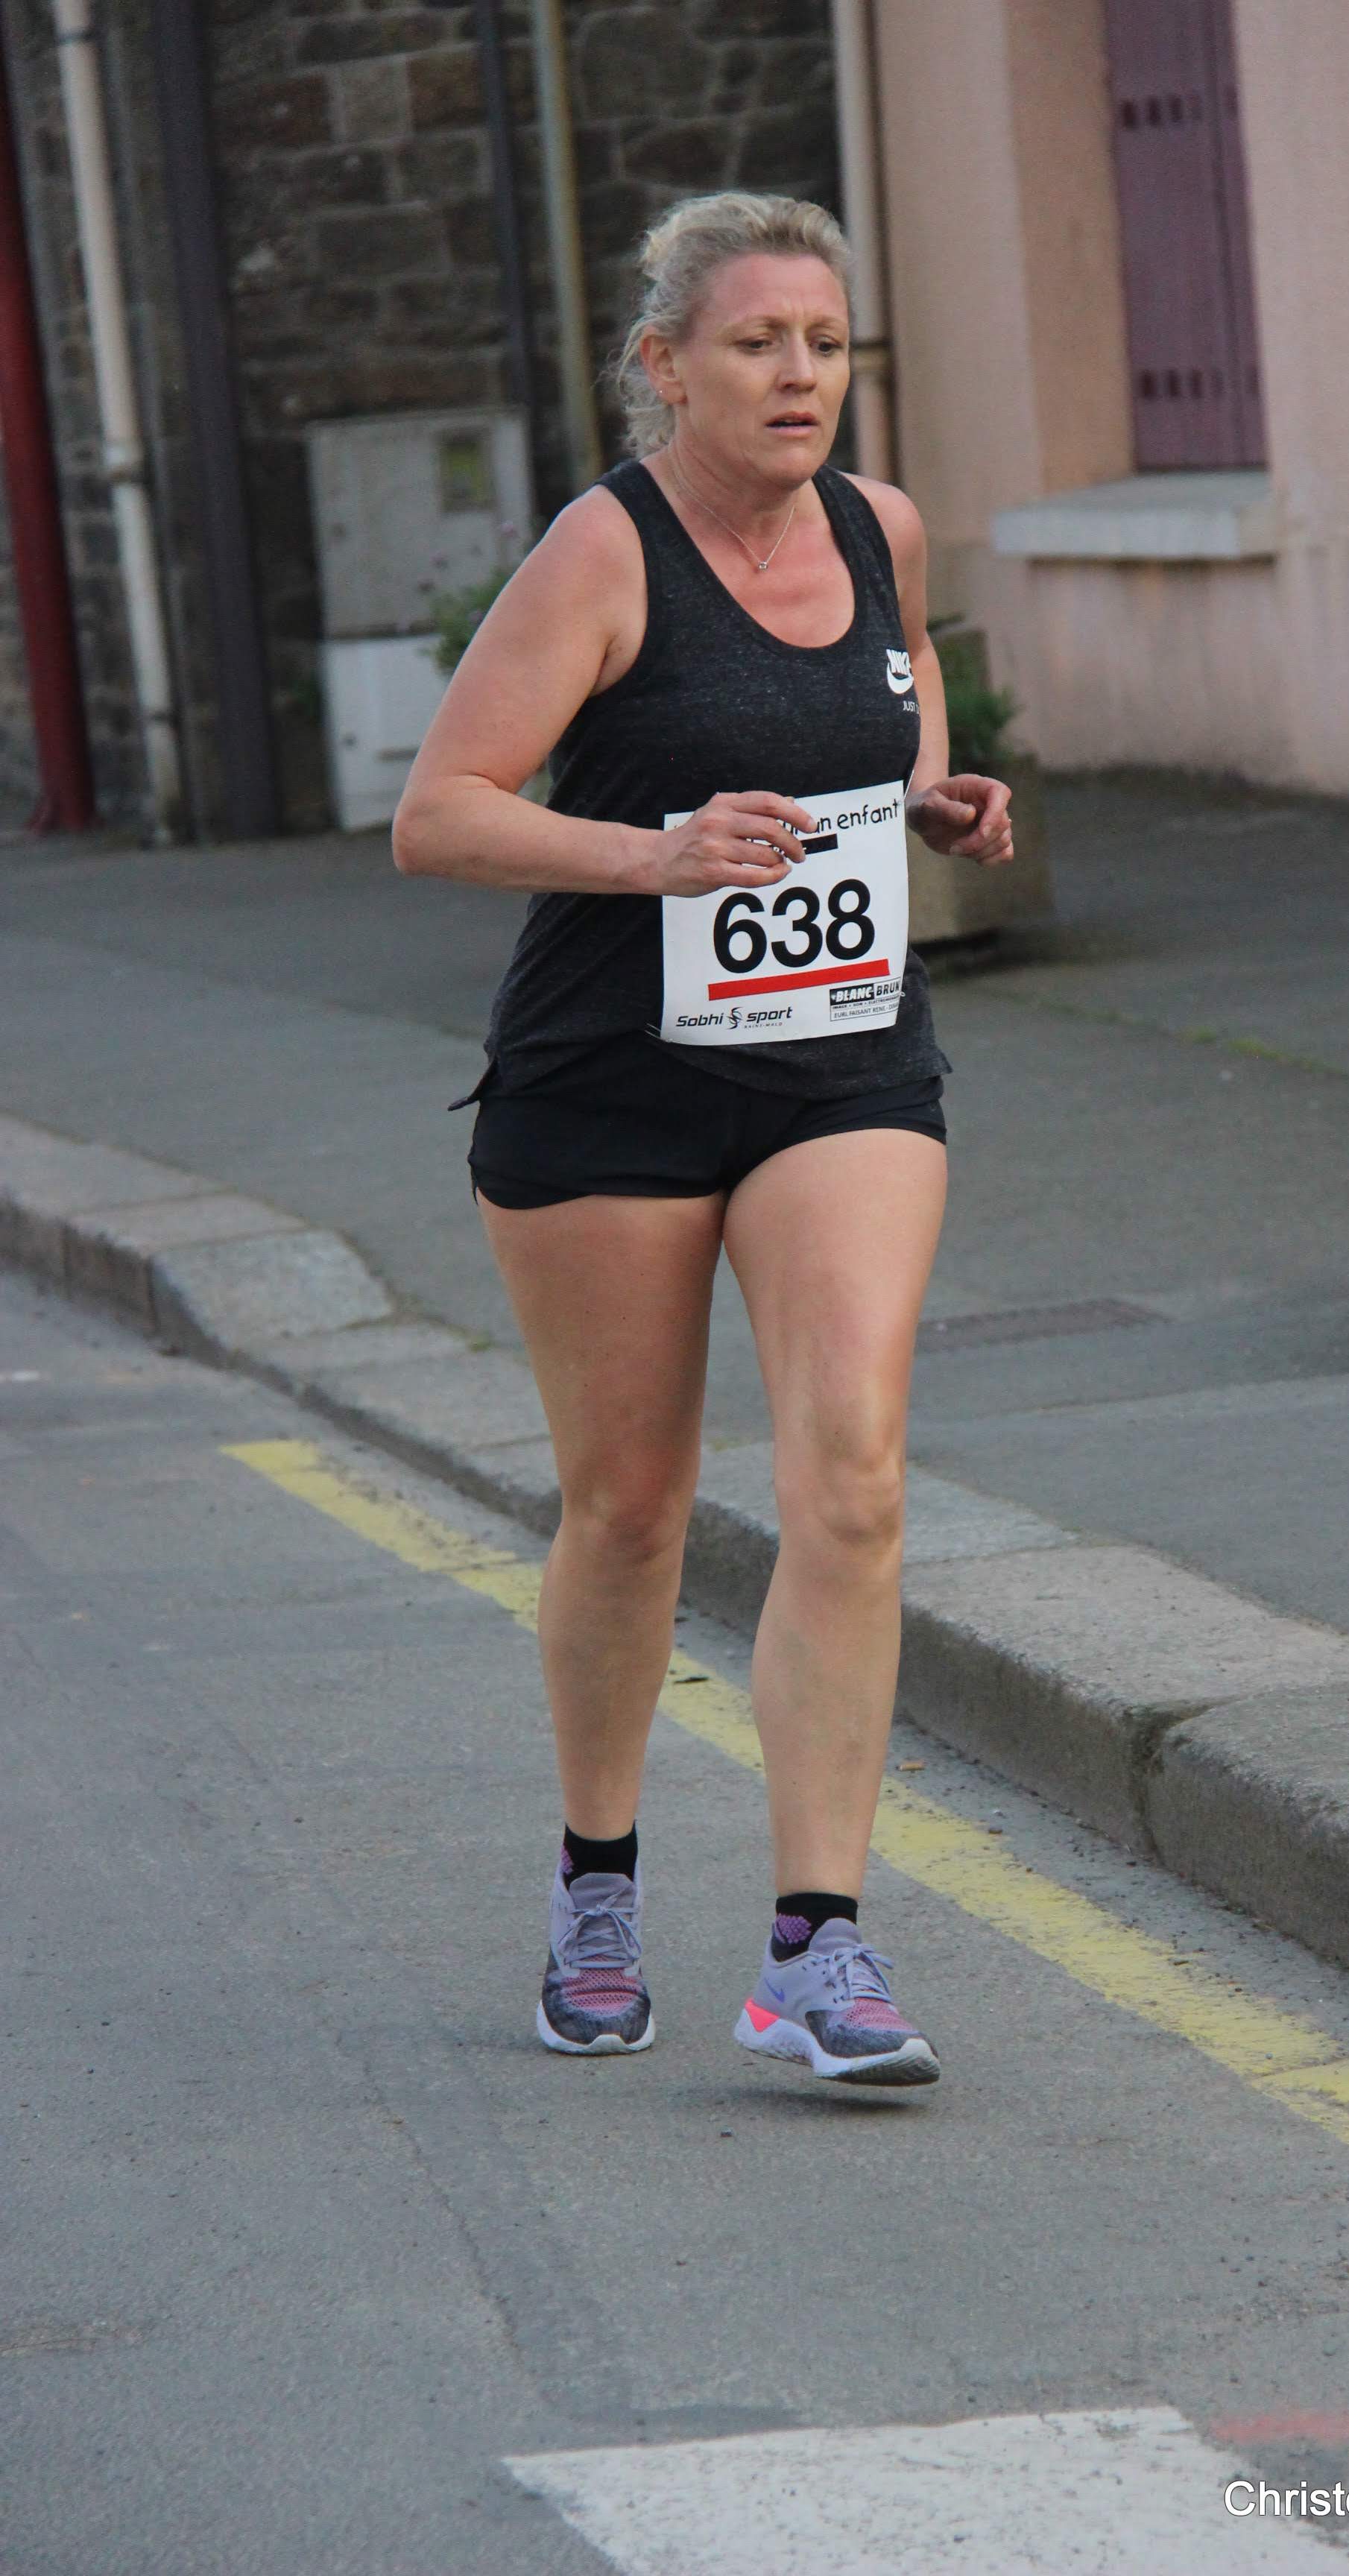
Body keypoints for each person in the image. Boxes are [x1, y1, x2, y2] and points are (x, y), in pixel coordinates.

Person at [393, 192, 1013, 2086]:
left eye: (825, 343)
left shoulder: (880, 527)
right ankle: (597, 1880)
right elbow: (439, 810)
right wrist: (650, 854)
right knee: (632, 1502)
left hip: (843, 1063)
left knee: (854, 1469)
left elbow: (890, 721)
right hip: (611, 1074)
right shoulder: (605, 551)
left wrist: (935, 800)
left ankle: (819, 1946)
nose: (801, 375)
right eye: (758, 343)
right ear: (667, 365)